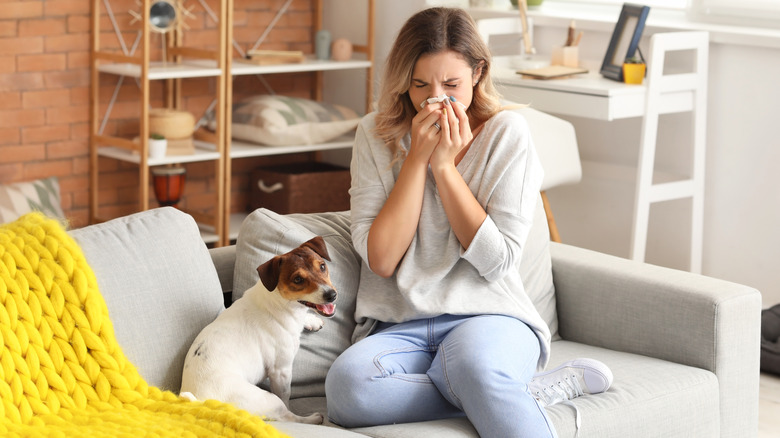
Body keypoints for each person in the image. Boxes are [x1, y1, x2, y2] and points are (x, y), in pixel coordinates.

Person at [325, 7, 611, 437]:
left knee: (476, 368)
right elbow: (381, 260)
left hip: (488, 316)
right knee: (349, 389)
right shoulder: (375, 135)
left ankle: (492, 385)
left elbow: (498, 262)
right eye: (420, 85)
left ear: (478, 73)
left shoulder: (506, 133)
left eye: (451, 84)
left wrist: (444, 168)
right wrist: (416, 160)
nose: (435, 99)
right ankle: (512, 391)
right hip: (398, 326)